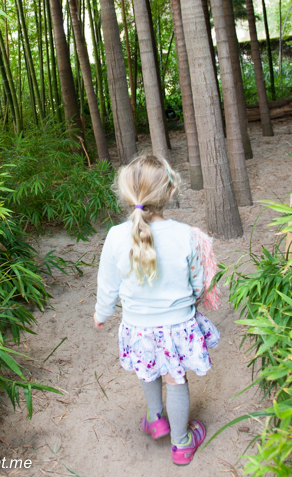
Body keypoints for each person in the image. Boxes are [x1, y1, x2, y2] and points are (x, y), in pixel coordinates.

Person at [93, 154, 220, 466]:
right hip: (178, 325)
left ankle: (155, 418)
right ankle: (181, 443)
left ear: (126, 195)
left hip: (137, 327)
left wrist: (102, 312)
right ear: (170, 192)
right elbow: (198, 282)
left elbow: (108, 284)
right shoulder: (187, 235)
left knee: (146, 368)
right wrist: (191, 298)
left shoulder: (114, 236)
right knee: (177, 380)